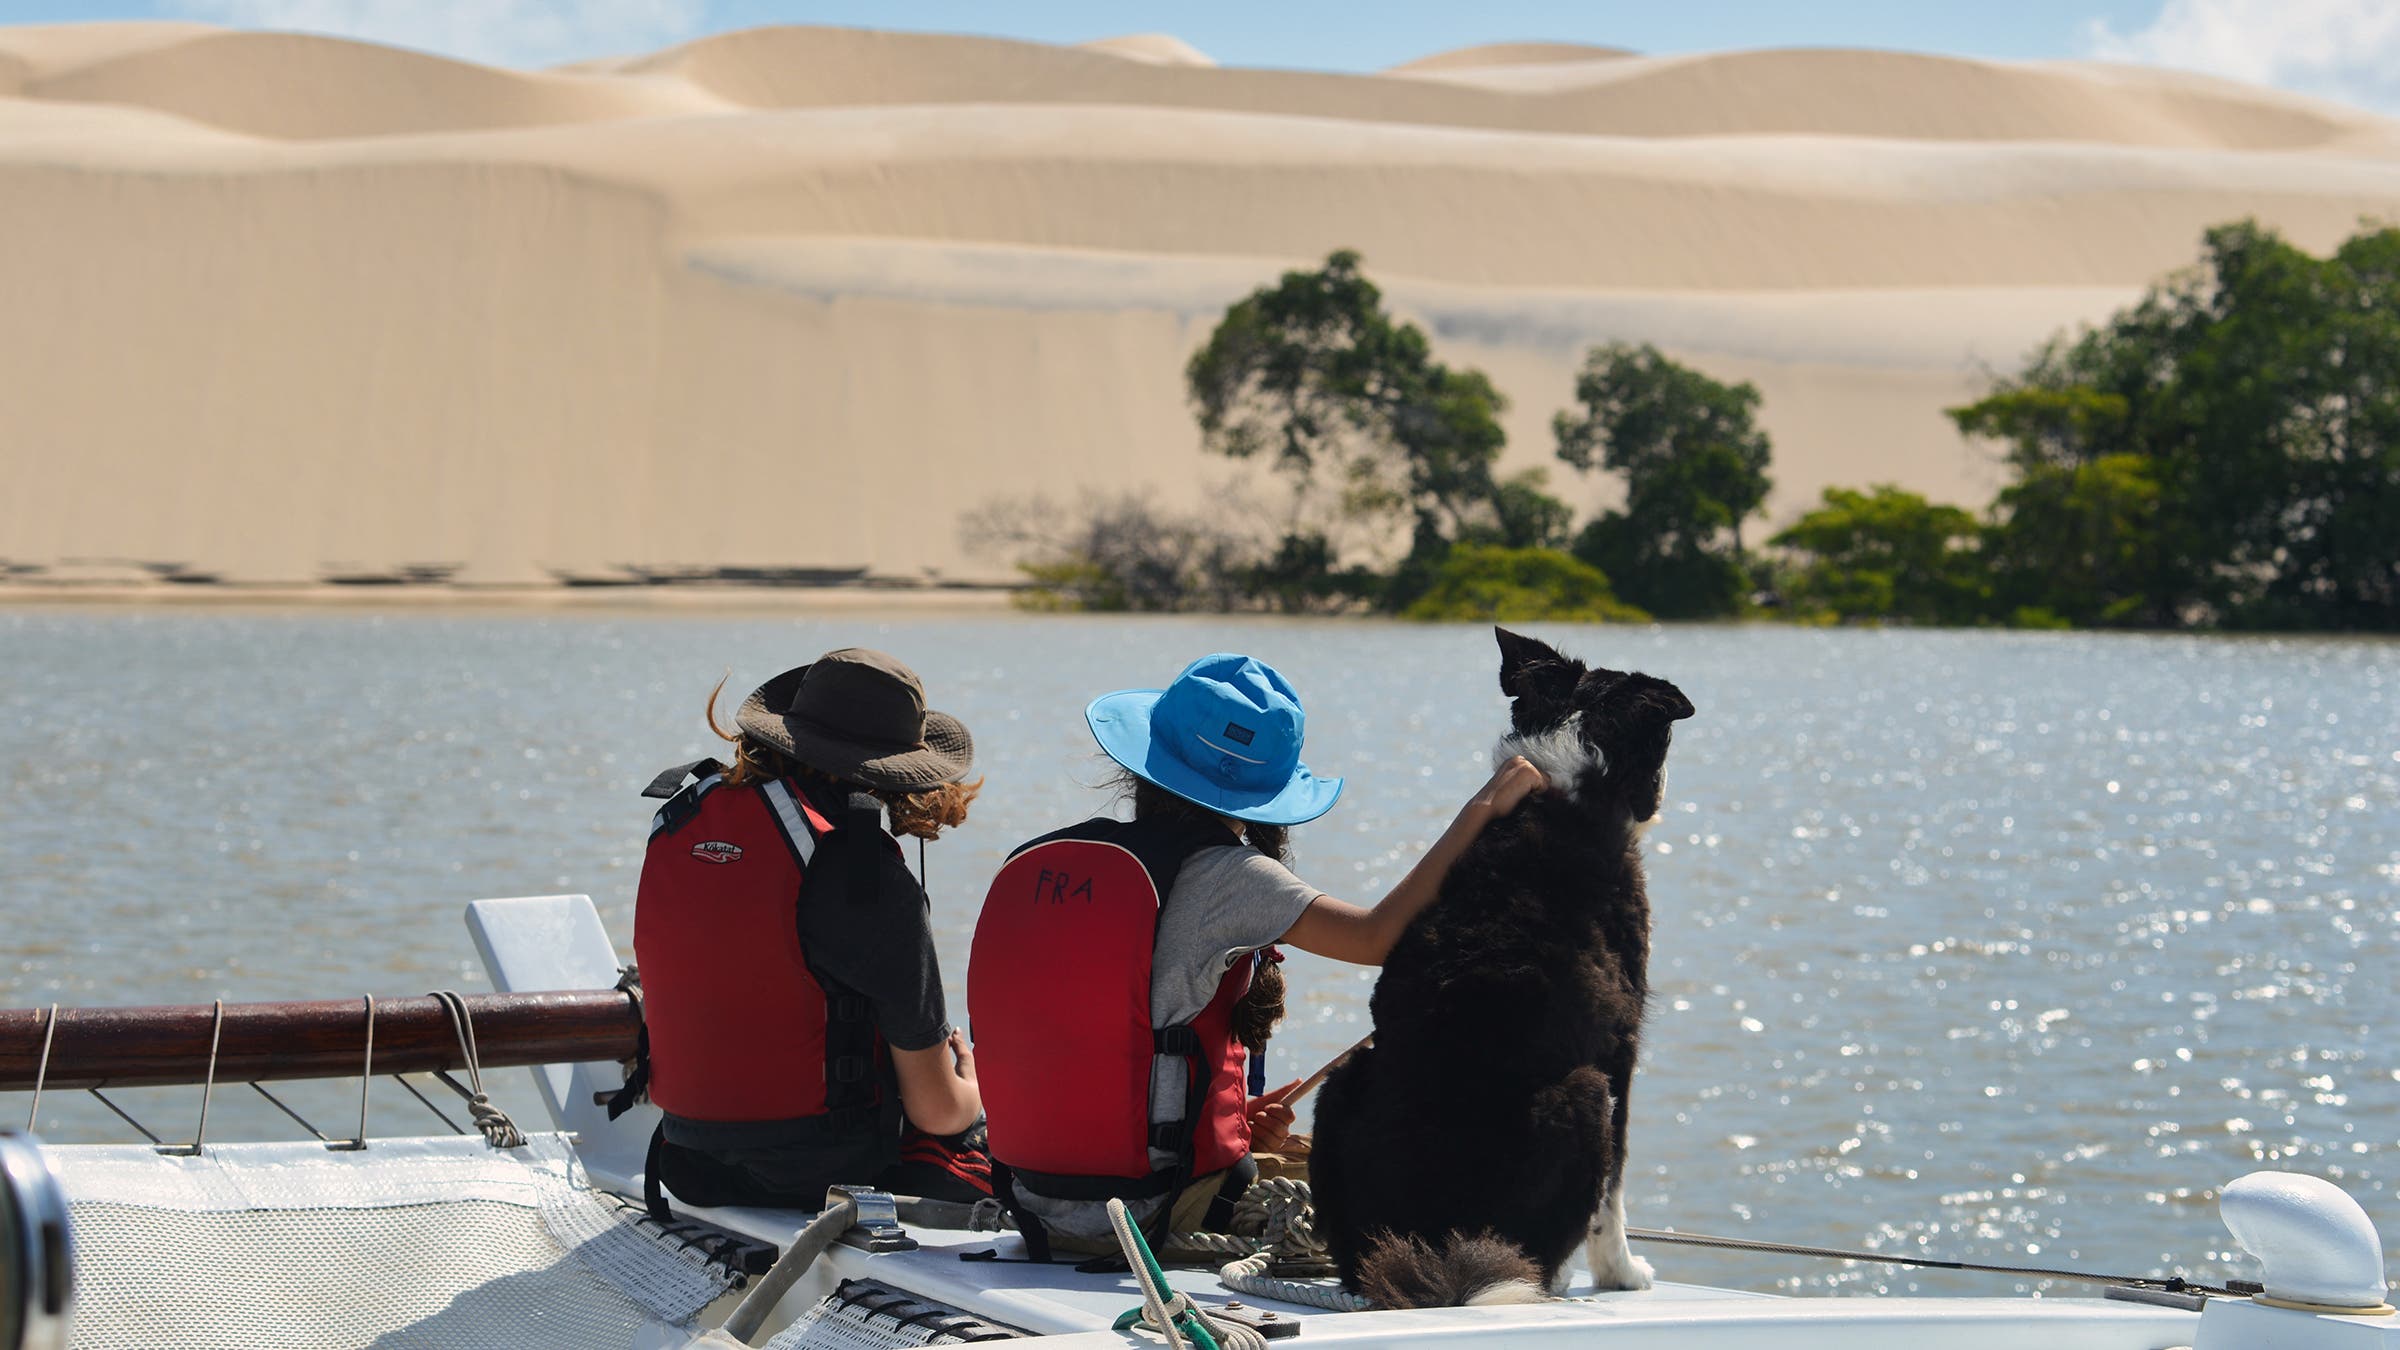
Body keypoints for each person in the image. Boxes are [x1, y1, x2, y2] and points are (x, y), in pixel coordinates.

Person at [967, 652, 1546, 1257]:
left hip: (1032, 1204)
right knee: (1427, 1185)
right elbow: (1381, 937)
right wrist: (1484, 811)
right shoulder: (1229, 875)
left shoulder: (1044, 858)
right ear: (1262, 794)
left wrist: (1229, 1116)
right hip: (1152, 1213)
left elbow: (1095, 1045)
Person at [628, 648, 988, 1217]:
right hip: (822, 1172)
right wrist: (974, 1084)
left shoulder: (684, 817)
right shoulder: (863, 867)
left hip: (688, 1159)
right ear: (896, 770)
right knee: (991, 1129)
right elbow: (937, 1113)